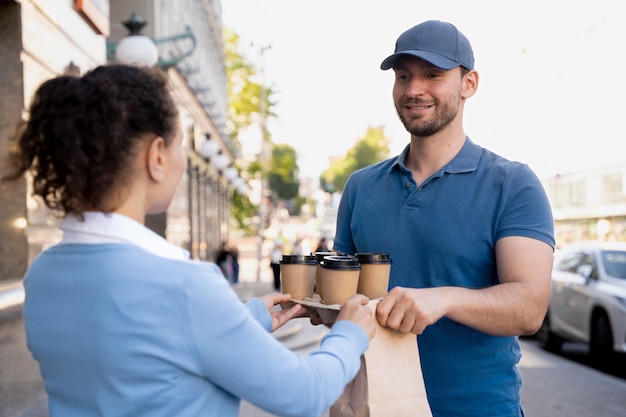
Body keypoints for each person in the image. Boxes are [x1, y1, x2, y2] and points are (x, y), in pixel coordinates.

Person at [1, 64, 376, 417]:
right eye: (180, 146)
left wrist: (243, 320)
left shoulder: (42, 273)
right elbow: (302, 393)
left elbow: (141, 349)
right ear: (156, 157)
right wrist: (349, 333)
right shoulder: (184, 286)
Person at [333, 20, 555, 417]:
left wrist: (445, 298)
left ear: (469, 83)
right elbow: (343, 295)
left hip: (478, 407)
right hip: (373, 404)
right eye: (404, 76)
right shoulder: (360, 186)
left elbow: (530, 308)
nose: (414, 89)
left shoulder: (513, 184)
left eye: (432, 75)